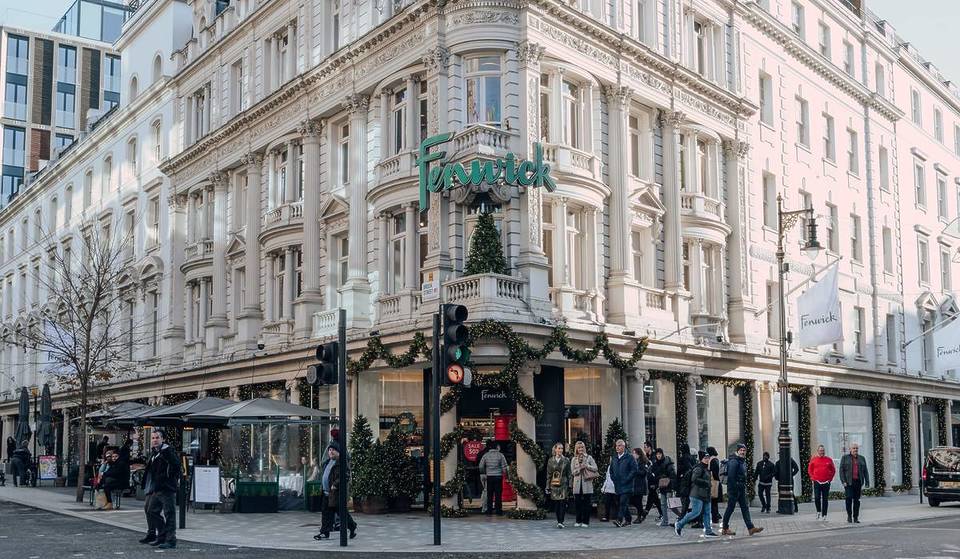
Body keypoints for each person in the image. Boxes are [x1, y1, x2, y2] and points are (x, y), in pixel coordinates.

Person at [140, 429, 182, 549]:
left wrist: (168, 479)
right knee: (151, 510)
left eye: (157, 438)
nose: (155, 440)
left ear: (163, 439)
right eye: (153, 438)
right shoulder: (155, 452)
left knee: (170, 514)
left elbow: (176, 466)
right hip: (156, 488)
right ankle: (162, 535)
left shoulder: (168, 451)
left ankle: (171, 540)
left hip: (166, 488)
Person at [315, 442, 357, 540]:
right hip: (326, 493)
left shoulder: (341, 462)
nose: (331, 452)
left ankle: (352, 526)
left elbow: (345, 475)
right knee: (326, 514)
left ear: (338, 452)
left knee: (342, 513)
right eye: (329, 450)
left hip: (336, 494)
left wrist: (335, 484)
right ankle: (324, 532)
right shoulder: (327, 462)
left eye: (333, 450)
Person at [675, 450, 720, 538]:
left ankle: (708, 531)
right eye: (705, 458)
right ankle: (679, 524)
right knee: (695, 512)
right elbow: (694, 479)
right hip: (697, 494)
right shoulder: (699, 468)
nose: (707, 459)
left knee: (707, 513)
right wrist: (706, 483)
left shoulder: (706, 467)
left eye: (708, 458)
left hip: (705, 494)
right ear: (701, 459)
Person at [721, 444, 763, 536]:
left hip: (741, 488)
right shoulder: (734, 461)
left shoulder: (742, 461)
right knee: (730, 508)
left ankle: (750, 528)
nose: (743, 452)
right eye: (741, 450)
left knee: (745, 508)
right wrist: (734, 489)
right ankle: (725, 528)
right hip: (734, 489)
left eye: (744, 450)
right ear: (737, 451)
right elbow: (731, 477)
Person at [609, 439, 637, 527]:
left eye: (619, 445)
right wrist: (614, 479)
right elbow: (611, 470)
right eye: (616, 446)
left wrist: (627, 479)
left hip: (627, 485)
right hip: (618, 485)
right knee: (620, 502)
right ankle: (628, 519)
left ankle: (619, 520)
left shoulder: (629, 457)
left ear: (624, 447)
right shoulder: (614, 457)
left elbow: (634, 470)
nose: (617, 447)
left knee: (622, 502)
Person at [570, 440, 597, 527]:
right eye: (579, 448)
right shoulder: (574, 459)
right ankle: (578, 521)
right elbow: (573, 472)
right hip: (577, 484)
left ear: (584, 448)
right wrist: (579, 469)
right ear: (576, 449)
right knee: (578, 504)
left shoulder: (589, 457)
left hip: (587, 483)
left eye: (582, 447)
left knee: (586, 503)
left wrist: (587, 466)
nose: (580, 449)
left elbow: (595, 468)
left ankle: (586, 521)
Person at [839, 443, 869, 524]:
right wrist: (843, 481)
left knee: (857, 500)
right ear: (850, 449)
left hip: (858, 482)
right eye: (854, 448)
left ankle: (855, 517)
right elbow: (841, 471)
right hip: (848, 482)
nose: (855, 450)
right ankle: (849, 516)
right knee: (848, 498)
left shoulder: (862, 458)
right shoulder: (845, 458)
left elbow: (865, 471)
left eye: (856, 448)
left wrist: (867, 482)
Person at [476, 440, 507, 516]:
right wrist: (506, 475)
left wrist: (483, 473)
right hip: (498, 477)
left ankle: (489, 511)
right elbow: (504, 467)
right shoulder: (500, 455)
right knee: (498, 495)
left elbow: (481, 466)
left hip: (489, 477)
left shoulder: (486, 455)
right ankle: (498, 511)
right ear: (496, 447)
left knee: (489, 494)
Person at [545, 442, 571, 528]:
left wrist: (570, 485)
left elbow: (569, 474)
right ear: (555, 449)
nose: (560, 450)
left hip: (563, 483)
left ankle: (561, 521)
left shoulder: (566, 460)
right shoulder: (550, 460)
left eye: (562, 448)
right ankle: (558, 520)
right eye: (559, 448)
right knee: (556, 503)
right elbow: (548, 474)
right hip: (554, 483)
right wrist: (547, 486)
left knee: (562, 502)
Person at [808, 445, 836, 520]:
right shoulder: (814, 459)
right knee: (817, 497)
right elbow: (810, 469)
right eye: (820, 451)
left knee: (825, 499)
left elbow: (833, 470)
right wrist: (812, 478)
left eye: (823, 450)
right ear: (818, 451)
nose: (822, 452)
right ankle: (818, 511)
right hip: (817, 481)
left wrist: (830, 479)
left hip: (826, 482)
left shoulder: (829, 460)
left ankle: (824, 514)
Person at [651, 448, 675, 527]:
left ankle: (681, 516)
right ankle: (665, 520)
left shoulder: (668, 462)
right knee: (663, 504)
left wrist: (673, 485)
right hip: (661, 485)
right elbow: (654, 473)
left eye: (660, 454)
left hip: (668, 485)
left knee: (670, 504)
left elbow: (672, 474)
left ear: (662, 454)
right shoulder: (655, 464)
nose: (658, 456)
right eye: (657, 454)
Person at [643, 442, 663, 521]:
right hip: (650, 479)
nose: (644, 449)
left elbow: (655, 468)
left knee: (652, 496)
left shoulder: (654, 456)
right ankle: (661, 513)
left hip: (654, 480)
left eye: (645, 447)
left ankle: (645, 513)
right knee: (654, 497)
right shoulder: (647, 456)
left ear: (649, 447)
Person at [676, 443, 697, 518]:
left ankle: (682, 518)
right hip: (691, 482)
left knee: (684, 502)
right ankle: (688, 517)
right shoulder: (692, 458)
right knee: (689, 501)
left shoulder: (683, 458)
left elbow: (679, 471)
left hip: (684, 481)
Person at [631, 448, 650, 523]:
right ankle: (643, 512)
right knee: (632, 500)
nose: (633, 455)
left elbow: (644, 472)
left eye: (634, 453)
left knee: (638, 501)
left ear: (638, 454)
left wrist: (635, 471)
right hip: (635, 484)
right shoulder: (635, 461)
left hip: (641, 485)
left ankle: (639, 517)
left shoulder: (643, 462)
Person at [707, 446, 722, 525]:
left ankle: (715, 518)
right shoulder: (715, 459)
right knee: (714, 502)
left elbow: (713, 473)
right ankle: (716, 517)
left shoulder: (712, 460)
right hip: (716, 482)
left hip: (714, 483)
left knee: (713, 502)